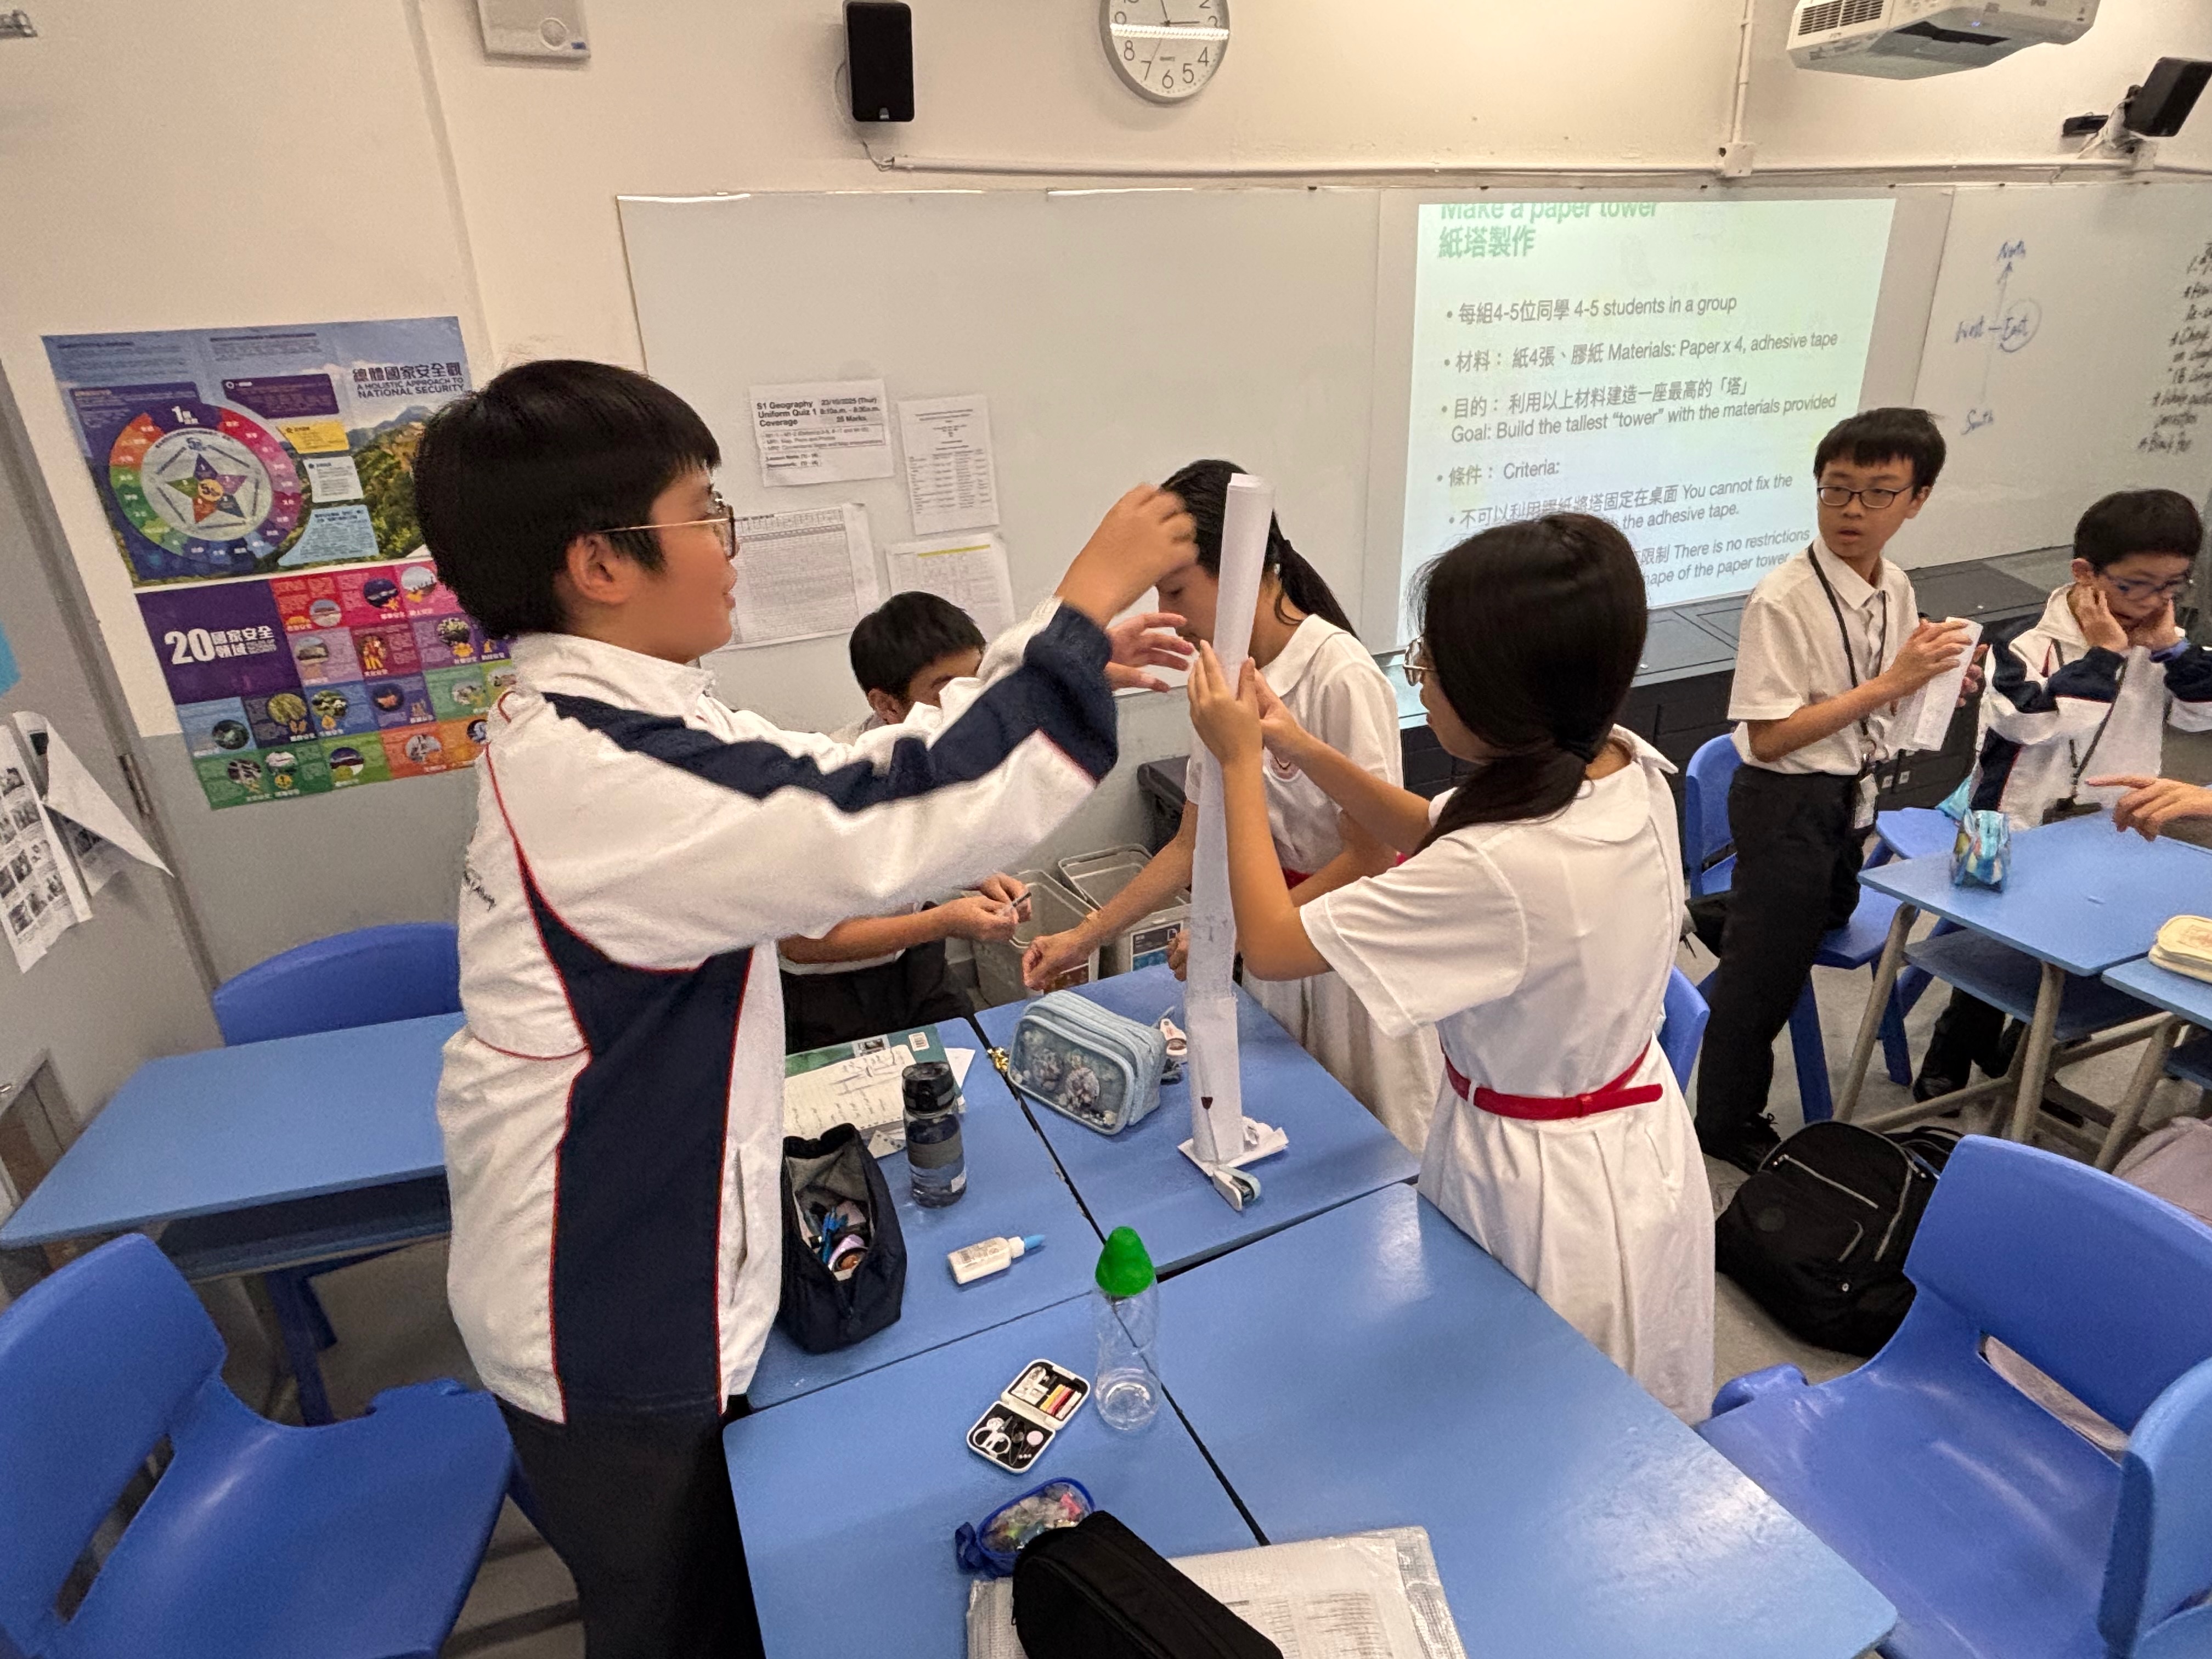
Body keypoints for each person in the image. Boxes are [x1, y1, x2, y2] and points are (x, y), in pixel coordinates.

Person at [411, 358, 1194, 1658]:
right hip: (606, 1298)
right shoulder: (603, 775)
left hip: (641, 1242)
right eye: (702, 514)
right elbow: (880, 818)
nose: (728, 547)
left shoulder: (617, 723)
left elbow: (839, 770)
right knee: (680, 1623)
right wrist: (1077, 607)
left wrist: (1059, 662)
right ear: (600, 564)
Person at [1183, 512, 1713, 1419]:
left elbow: (1268, 943)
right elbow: (1430, 827)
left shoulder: (1502, 866)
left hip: (1546, 1188)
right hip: (1625, 1140)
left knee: (1544, 1420)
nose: (1415, 672)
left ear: (1503, 686)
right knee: (1593, 1403)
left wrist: (1236, 763)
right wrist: (1294, 744)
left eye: (1433, 658)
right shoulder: (1615, 763)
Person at [1020, 458, 1441, 1152]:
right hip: (1276, 943)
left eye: (1179, 589)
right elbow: (1191, 844)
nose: (1172, 613)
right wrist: (1084, 936)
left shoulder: (1339, 675)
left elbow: (1371, 856)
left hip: (1348, 949)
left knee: (1372, 1143)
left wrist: (1242, 932)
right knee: (1288, 1127)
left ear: (1251, 567)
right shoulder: (1221, 678)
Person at [1696, 409, 1973, 1170]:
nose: (1852, 510)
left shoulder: (1895, 586)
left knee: (1827, 915)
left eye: (1878, 493)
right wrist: (1892, 683)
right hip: (1784, 799)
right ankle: (1723, 1122)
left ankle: (1722, 915)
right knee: (1764, 981)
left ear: (1917, 499)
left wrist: (1936, 683)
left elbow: (1884, 699)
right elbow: (1769, 739)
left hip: (1850, 792)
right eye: (1836, 489)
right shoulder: (1783, 599)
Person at [1915, 489, 2212, 1099]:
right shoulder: (2023, 642)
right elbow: (2032, 721)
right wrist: (2105, 655)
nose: (2156, 601)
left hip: (2108, 823)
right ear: (2086, 574)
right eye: (2137, 585)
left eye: (2173, 585)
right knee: (1996, 946)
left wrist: (2171, 650)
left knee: (2080, 941)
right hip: (2012, 821)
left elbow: (2200, 714)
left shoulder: (2161, 640)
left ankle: (2028, 1066)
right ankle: (1951, 1053)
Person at [780, 592, 1029, 1051]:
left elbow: (913, 847)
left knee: (974, 1061)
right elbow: (800, 944)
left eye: (976, 683)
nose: (968, 706)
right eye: (944, 690)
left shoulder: (940, 757)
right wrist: (944, 921)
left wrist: (977, 875)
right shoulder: (836, 787)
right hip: (828, 988)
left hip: (911, 961)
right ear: (887, 705)